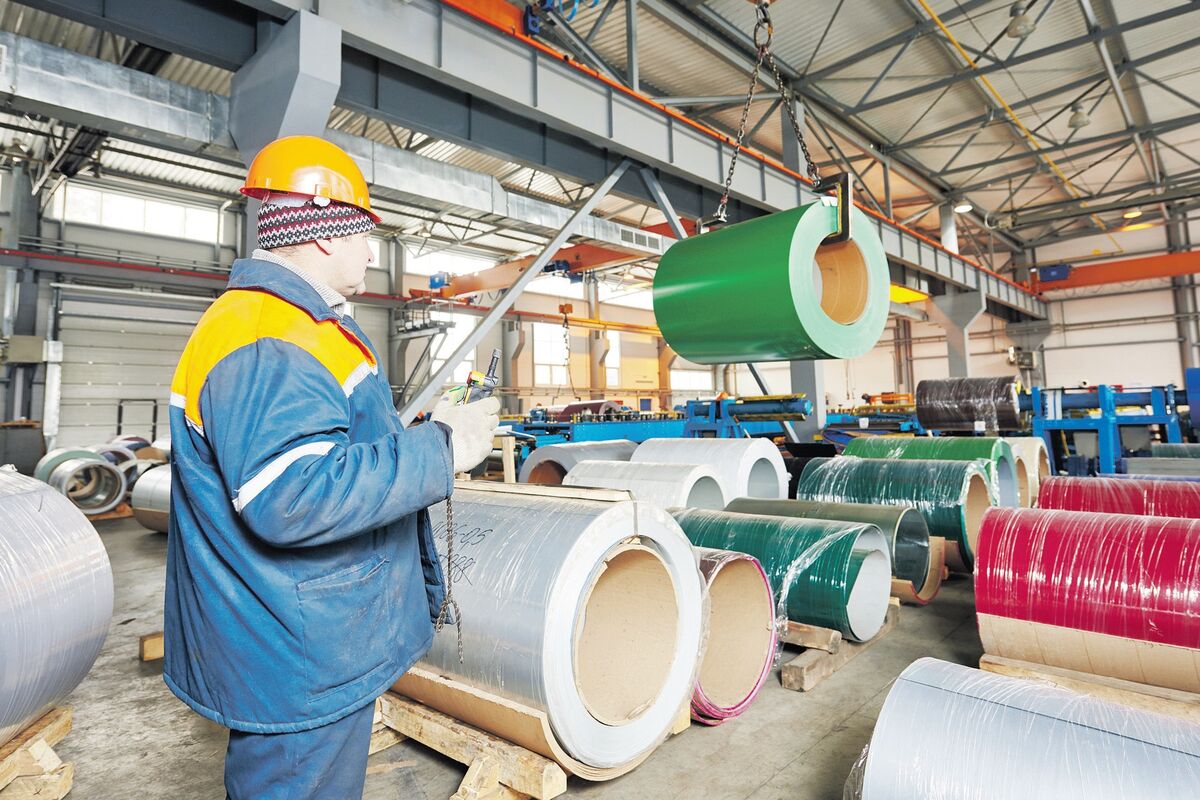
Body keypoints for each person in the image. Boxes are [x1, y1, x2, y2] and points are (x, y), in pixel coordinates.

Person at [162, 134, 499, 799]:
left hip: (307, 640)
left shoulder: (296, 325)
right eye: (364, 233)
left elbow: (329, 449)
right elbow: (292, 494)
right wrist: (442, 449)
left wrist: (419, 436)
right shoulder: (268, 337)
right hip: (296, 654)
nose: (372, 252)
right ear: (322, 233)